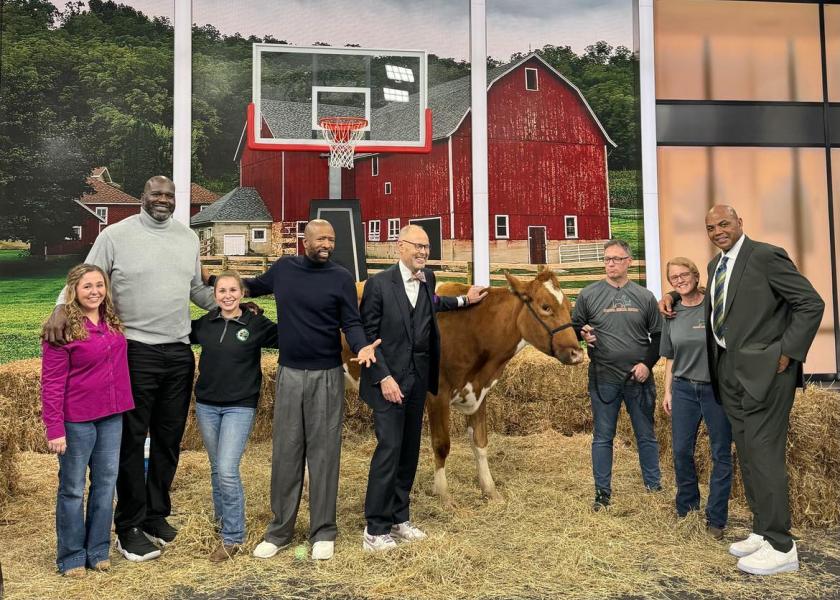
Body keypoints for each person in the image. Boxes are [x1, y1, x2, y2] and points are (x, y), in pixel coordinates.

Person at [43, 176, 219, 562]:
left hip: (178, 350)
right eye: (156, 193)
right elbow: (84, 277)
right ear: (143, 197)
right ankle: (129, 526)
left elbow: (196, 289)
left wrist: (232, 303)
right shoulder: (115, 235)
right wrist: (59, 307)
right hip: (135, 350)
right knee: (131, 441)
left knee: (169, 440)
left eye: (169, 195)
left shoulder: (187, 237)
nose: (163, 200)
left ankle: (156, 515)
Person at [661, 206, 823, 575]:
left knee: (764, 454)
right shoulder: (717, 265)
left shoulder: (765, 255)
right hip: (729, 375)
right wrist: (671, 295)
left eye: (724, 224)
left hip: (767, 372)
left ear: (739, 224)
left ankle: (783, 547)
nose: (717, 231)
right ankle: (763, 532)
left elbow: (810, 303)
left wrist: (788, 352)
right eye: (710, 227)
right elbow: (712, 303)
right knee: (748, 454)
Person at [245, 219, 380, 561]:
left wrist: (362, 346)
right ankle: (279, 532)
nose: (327, 244)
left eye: (331, 239)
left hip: (326, 375)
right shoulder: (283, 270)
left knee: (324, 452)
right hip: (289, 373)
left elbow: (351, 320)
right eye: (321, 238)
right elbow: (251, 286)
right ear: (303, 241)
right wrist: (211, 281)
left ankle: (324, 530)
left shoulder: (340, 277)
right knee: (286, 451)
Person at [358, 225, 487, 551]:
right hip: (387, 382)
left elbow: (431, 304)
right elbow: (367, 338)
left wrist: (464, 299)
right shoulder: (378, 285)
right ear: (399, 246)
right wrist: (383, 378)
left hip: (418, 381)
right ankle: (375, 529)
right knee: (389, 451)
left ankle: (400, 519)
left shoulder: (427, 279)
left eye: (427, 248)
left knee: (409, 453)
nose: (423, 252)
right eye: (417, 246)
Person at [40, 264, 135, 576]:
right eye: (87, 286)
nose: (94, 291)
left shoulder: (112, 321)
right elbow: (51, 383)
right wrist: (55, 428)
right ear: (73, 291)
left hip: (111, 416)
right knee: (72, 488)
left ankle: (98, 550)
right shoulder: (62, 327)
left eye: (99, 285)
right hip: (77, 420)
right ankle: (71, 556)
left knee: (106, 485)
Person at [189, 271, 278, 562]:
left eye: (232, 290)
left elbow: (289, 335)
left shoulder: (255, 324)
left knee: (227, 468)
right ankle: (222, 519)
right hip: (207, 405)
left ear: (242, 293)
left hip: (239, 405)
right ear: (214, 295)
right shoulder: (205, 324)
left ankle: (233, 536)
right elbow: (174, 334)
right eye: (221, 291)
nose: (227, 295)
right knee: (216, 467)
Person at [571, 239, 662, 511]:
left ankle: (653, 487)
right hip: (604, 376)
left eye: (616, 259)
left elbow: (657, 336)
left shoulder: (644, 297)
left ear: (628, 262)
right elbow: (574, 328)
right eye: (607, 259)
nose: (610, 263)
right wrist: (583, 334)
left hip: (639, 378)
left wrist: (647, 364)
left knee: (645, 434)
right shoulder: (589, 295)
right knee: (602, 436)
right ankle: (602, 494)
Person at [660, 257, 732, 540]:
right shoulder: (671, 312)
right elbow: (670, 357)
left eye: (684, 274)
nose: (679, 280)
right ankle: (687, 510)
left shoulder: (713, 305)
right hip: (683, 389)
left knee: (720, 454)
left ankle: (716, 519)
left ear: (695, 274)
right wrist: (667, 391)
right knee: (680, 451)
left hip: (716, 391)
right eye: (673, 278)